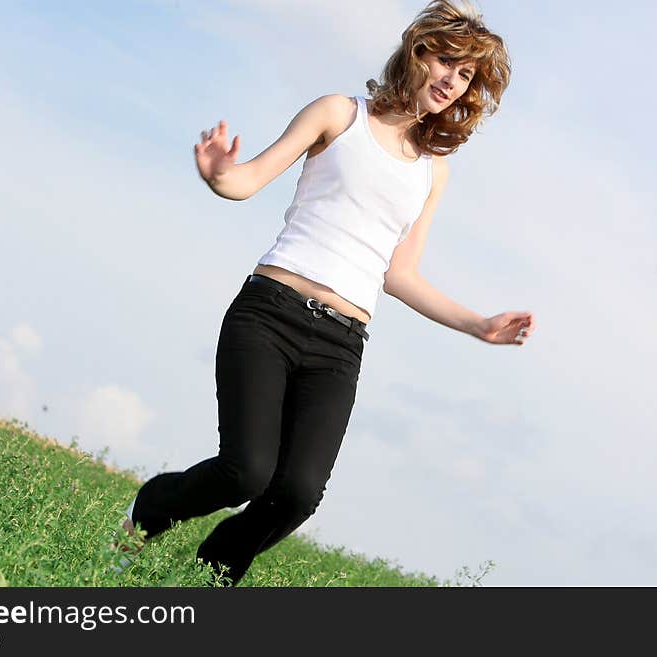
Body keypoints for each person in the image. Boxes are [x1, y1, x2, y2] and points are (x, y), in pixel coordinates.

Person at [112, 0, 535, 585]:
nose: (451, 81)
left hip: (340, 344)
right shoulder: (340, 113)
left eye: (465, 75)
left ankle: (213, 571)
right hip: (269, 313)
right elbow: (248, 178)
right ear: (416, 51)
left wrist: (479, 324)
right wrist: (218, 175)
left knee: (298, 493)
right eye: (445, 60)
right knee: (245, 472)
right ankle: (152, 507)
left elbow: (400, 273)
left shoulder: (432, 170)